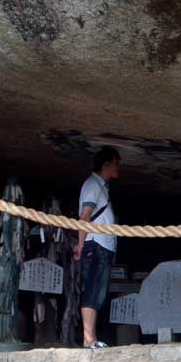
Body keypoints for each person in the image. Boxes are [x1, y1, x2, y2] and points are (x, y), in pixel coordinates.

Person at [74, 146, 122, 348]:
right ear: (106, 164)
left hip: (101, 245)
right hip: (96, 244)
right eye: (116, 163)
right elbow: (85, 216)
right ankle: (89, 339)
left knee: (97, 292)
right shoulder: (93, 184)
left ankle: (90, 338)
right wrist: (81, 244)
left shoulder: (101, 186)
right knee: (93, 290)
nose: (118, 168)